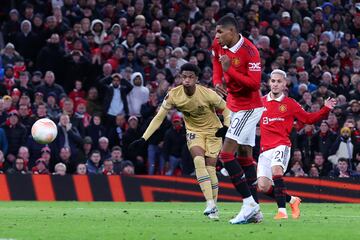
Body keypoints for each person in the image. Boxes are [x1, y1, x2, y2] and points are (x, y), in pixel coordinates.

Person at [129, 63, 230, 220]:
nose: (187, 80)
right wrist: (144, 137)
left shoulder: (207, 93)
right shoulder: (174, 95)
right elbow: (159, 117)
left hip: (213, 132)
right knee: (198, 161)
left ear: (196, 79)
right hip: (194, 132)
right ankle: (209, 203)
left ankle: (214, 206)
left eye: (190, 77)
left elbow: (227, 108)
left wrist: (226, 126)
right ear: (180, 77)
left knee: (210, 169)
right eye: (184, 77)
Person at [257, 69, 336, 219]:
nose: (275, 84)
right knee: (263, 186)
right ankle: (292, 200)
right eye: (273, 81)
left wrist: (326, 109)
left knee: (276, 171)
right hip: (264, 149)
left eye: (279, 81)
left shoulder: (290, 104)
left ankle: (282, 212)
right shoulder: (260, 103)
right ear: (269, 83)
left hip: (281, 144)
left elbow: (308, 119)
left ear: (285, 84)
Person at [212, 14, 264, 224]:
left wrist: (229, 71)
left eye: (220, 32)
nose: (216, 36)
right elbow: (216, 63)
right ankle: (257, 212)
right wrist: (218, 80)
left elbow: (255, 84)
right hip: (233, 105)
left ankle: (248, 203)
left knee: (225, 154)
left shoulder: (250, 51)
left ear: (231, 32)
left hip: (249, 107)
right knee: (244, 156)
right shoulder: (219, 45)